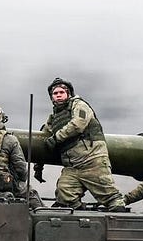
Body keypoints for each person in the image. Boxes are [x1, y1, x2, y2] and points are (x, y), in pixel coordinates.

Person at [34, 78, 126, 211]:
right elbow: (43, 140)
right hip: (72, 167)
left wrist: (57, 138)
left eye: (61, 92)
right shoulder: (53, 118)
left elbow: (78, 124)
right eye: (55, 93)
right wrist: (38, 167)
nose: (58, 95)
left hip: (92, 161)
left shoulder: (79, 105)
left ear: (68, 93)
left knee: (112, 199)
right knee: (64, 197)